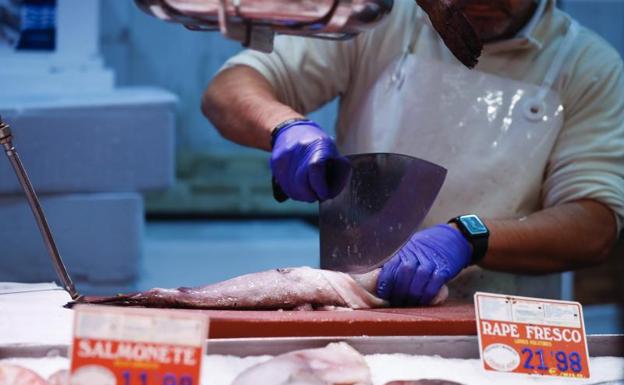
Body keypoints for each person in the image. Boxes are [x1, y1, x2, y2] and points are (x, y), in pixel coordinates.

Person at [201, 0, 624, 306]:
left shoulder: (588, 66)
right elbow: (230, 88)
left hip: (505, 328)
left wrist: (467, 238)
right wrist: (284, 128)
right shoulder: (379, 20)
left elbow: (594, 224)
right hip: (355, 309)